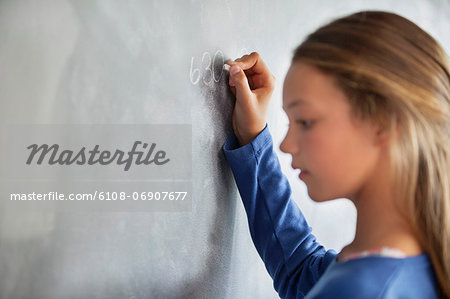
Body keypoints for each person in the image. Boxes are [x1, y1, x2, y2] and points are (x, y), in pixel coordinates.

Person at [222, 10, 450, 298]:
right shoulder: (416, 264)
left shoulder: (357, 289)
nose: (286, 145)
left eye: (305, 121)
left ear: (383, 123)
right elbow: (302, 274)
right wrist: (253, 138)